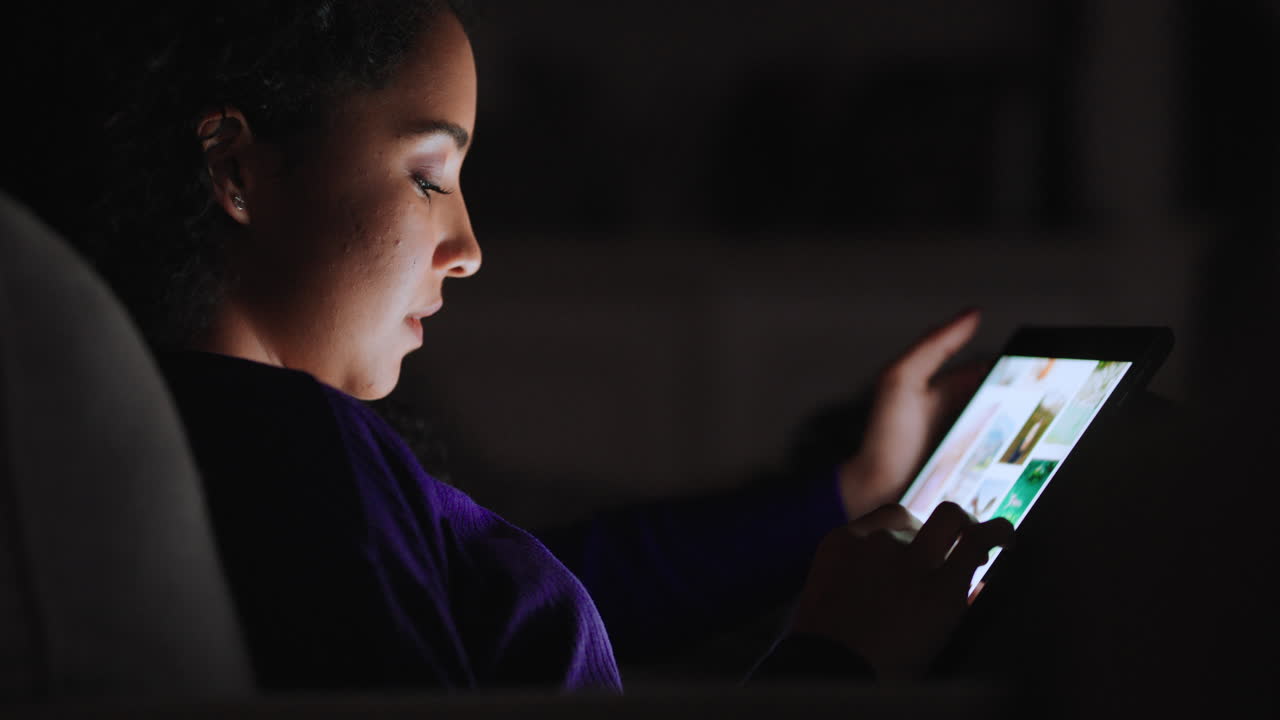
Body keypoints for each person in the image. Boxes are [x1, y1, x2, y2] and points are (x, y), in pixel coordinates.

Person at [65, 0, 1012, 692]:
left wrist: (849, 490)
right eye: (430, 176)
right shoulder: (292, 453)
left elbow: (550, 591)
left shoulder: (201, 434)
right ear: (237, 169)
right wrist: (835, 664)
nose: (470, 251)